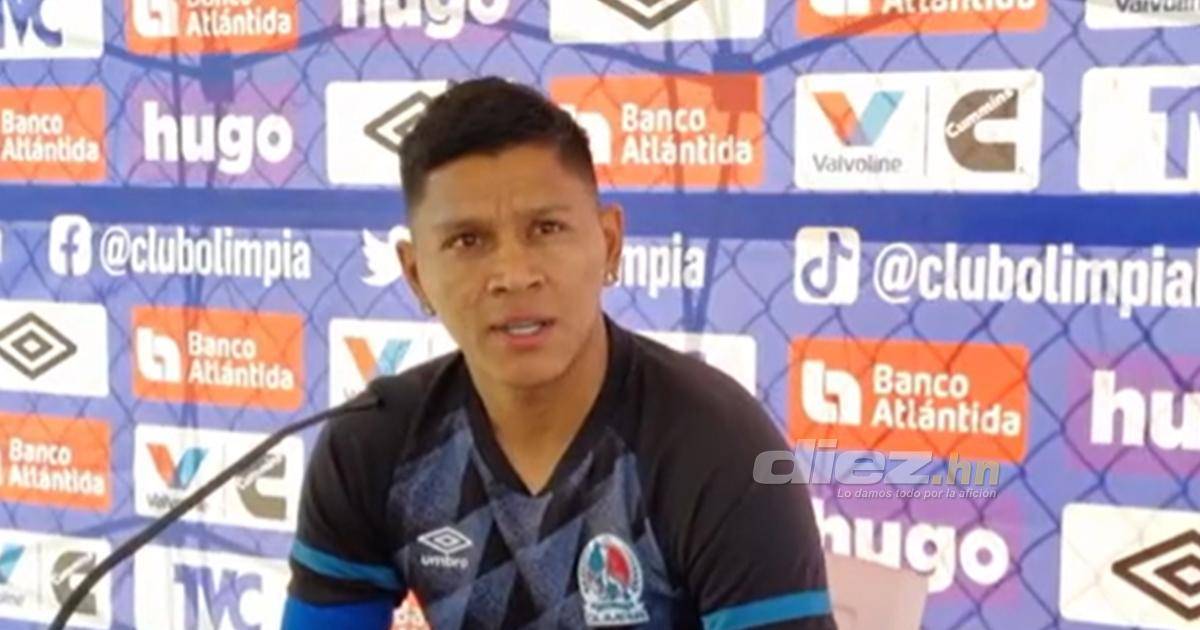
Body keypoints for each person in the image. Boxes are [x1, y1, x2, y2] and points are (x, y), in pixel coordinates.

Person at [282, 77, 835, 629]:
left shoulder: (717, 447)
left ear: (609, 243)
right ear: (416, 274)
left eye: (546, 228)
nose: (513, 274)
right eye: (467, 241)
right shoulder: (374, 443)